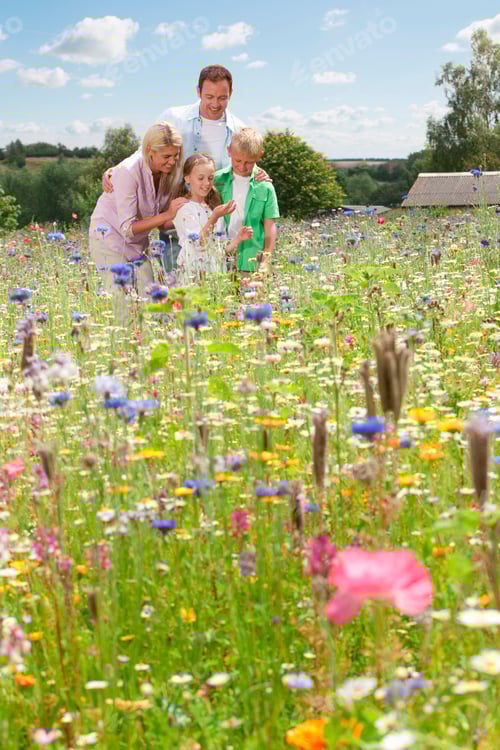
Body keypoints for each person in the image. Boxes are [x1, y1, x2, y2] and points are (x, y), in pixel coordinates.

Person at [101, 65, 269, 271]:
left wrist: (258, 171)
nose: (215, 104)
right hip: (179, 213)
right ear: (198, 91)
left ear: (231, 93)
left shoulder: (238, 129)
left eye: (222, 98)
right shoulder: (174, 116)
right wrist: (118, 169)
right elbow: (145, 151)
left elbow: (244, 163)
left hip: (217, 218)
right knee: (180, 280)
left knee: (218, 281)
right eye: (209, 96)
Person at [89, 121, 187, 324]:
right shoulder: (128, 171)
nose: (172, 161)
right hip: (109, 238)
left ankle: (149, 349)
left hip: (138, 244)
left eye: (175, 155)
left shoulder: (170, 171)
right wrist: (168, 214)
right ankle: (125, 351)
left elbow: (161, 223)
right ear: (150, 151)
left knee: (153, 300)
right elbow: (127, 229)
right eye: (166, 156)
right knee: (123, 305)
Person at [172, 153, 253, 283]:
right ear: (187, 178)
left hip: (216, 275)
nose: (206, 183)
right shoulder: (183, 207)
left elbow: (221, 250)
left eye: (210, 178)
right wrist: (214, 217)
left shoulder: (213, 207)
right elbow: (198, 243)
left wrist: (238, 238)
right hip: (195, 276)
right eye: (200, 178)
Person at [214, 128, 279, 274]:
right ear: (229, 151)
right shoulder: (216, 180)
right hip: (219, 255)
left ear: (260, 155)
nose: (242, 167)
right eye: (238, 160)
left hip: (251, 258)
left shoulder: (265, 187)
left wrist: (266, 261)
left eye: (249, 162)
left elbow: (270, 226)